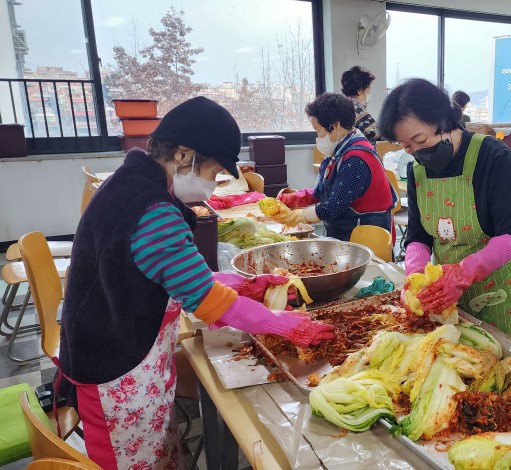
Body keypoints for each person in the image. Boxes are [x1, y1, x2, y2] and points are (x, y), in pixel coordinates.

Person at [56, 96, 335, 469]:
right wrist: (284, 325)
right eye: (215, 173)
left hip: (123, 357)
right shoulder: (153, 213)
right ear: (185, 155)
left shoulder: (130, 184)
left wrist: (244, 284)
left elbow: (178, 275)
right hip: (116, 372)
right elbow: (205, 300)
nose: (213, 184)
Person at [379, 78, 511, 338]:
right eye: (406, 147)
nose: (416, 153)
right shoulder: (417, 170)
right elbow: (418, 236)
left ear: (443, 120)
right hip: (444, 296)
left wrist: (464, 273)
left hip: (495, 289)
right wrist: (415, 279)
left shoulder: (492, 156)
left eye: (420, 140)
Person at [279, 92, 395, 241]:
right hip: (345, 236)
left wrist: (301, 216)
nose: (317, 136)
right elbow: (321, 192)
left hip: (365, 241)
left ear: (335, 126)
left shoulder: (356, 159)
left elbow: (334, 207)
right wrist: (289, 199)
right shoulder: (339, 153)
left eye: (318, 130)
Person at [341, 65, 380, 142]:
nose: (369, 93)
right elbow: (377, 133)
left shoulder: (344, 105)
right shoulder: (356, 109)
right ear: (360, 91)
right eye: (368, 89)